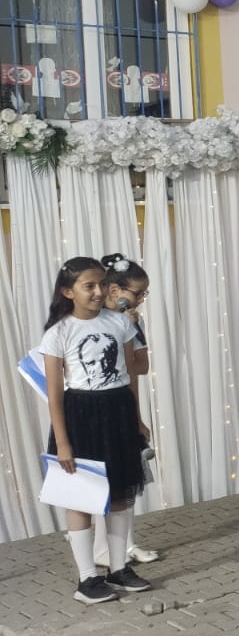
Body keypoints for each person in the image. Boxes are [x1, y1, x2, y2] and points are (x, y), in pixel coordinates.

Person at [40, 257, 152, 603]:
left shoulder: (120, 323)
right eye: (89, 286)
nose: (98, 291)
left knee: (120, 494)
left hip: (117, 410)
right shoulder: (59, 333)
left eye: (101, 284)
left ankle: (118, 569)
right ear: (67, 291)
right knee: (82, 497)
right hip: (81, 415)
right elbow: (55, 394)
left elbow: (132, 373)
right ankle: (87, 579)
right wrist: (63, 441)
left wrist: (136, 419)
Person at [97, 254, 159, 566]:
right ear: (113, 289)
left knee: (126, 479)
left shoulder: (134, 321)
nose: (141, 300)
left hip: (122, 403)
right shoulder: (89, 319)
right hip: (91, 408)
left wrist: (137, 417)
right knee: (97, 479)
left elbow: (139, 368)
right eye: (138, 293)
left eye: (144, 294)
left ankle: (126, 544)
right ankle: (99, 545)